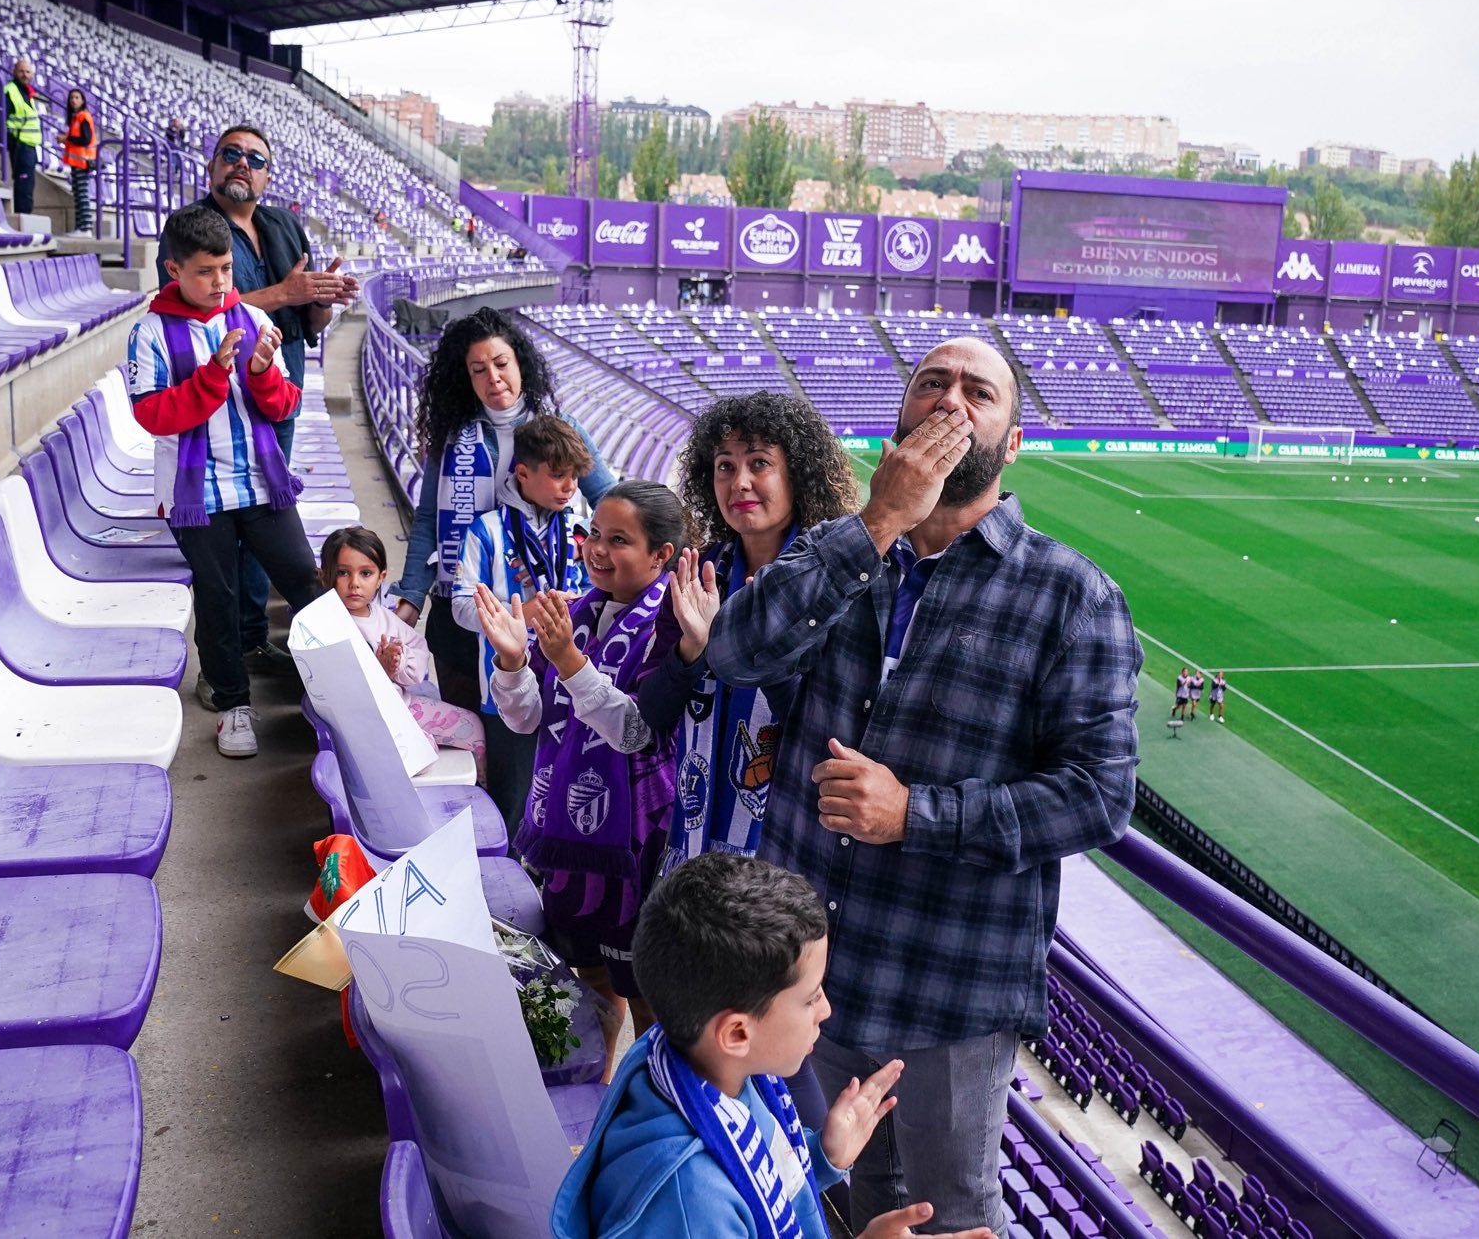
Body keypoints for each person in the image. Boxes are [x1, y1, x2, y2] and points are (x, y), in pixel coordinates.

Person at [707, 336, 1141, 1235]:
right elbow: (735, 650)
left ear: (1011, 440)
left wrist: (916, 815)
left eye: (978, 391)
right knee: (827, 1186)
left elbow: (1101, 795)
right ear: (899, 417)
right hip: (808, 974)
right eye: (931, 383)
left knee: (948, 1215)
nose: (951, 401)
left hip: (947, 983)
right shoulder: (840, 549)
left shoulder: (1070, 595)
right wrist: (877, 523)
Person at [552, 853, 995, 1239]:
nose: (826, 1009)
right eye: (810, 997)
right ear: (738, 1034)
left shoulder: (701, 1068)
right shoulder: (690, 1202)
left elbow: (763, 1166)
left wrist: (823, 1154)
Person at [476, 480, 684, 1041]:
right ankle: (594, 1097)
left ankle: (645, 1110)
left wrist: (566, 657)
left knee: (645, 998)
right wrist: (513, 658)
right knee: (588, 981)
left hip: (634, 847)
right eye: (593, 533)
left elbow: (634, 731)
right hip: (567, 837)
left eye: (618, 540)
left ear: (660, 555)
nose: (596, 549)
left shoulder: (673, 625)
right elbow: (526, 720)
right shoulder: (580, 612)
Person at [167, 124, 359, 704]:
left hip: (279, 395)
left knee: (263, 529)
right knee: (229, 544)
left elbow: (306, 322)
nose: (241, 165)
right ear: (212, 166)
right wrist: (286, 292)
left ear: (268, 175)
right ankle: (229, 663)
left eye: (255, 159)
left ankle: (255, 641)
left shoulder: (281, 224)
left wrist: (319, 300)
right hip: (219, 411)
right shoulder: (191, 230)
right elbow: (191, 311)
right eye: (231, 155)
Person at [126, 205, 322, 758]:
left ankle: (331, 685)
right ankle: (233, 705)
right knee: (218, 594)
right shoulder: (149, 333)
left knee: (303, 579)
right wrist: (213, 376)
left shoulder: (255, 321)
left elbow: (285, 406)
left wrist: (260, 375)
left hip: (261, 482)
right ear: (174, 271)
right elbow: (153, 415)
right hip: (196, 496)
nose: (219, 284)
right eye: (206, 272)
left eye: (227, 271)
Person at [646, 392, 859, 874]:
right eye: (724, 466)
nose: (738, 482)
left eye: (759, 463)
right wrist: (691, 650)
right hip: (690, 849)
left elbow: (828, 734)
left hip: (788, 852)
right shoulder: (696, 574)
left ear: (797, 474)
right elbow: (653, 716)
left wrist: (760, 649)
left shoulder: (835, 584)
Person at [388, 308, 618, 707]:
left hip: (541, 608)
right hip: (459, 605)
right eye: (478, 369)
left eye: (500, 363)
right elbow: (428, 519)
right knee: (472, 732)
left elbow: (610, 501)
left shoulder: (560, 428)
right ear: (466, 377)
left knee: (534, 732)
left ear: (519, 364)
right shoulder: (450, 435)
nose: (493, 378)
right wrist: (411, 596)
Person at [448, 414, 595, 826]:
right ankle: (505, 875)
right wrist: (523, 615)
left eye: (575, 478)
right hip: (505, 691)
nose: (570, 487)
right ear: (524, 473)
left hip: (567, 684)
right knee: (512, 800)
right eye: (559, 475)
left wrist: (575, 603)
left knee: (558, 792)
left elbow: (587, 587)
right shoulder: (486, 531)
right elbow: (460, 607)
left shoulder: (576, 527)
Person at [321, 525, 485, 776]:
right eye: (343, 573)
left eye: (365, 573)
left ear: (380, 578)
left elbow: (418, 654)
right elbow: (334, 689)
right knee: (422, 753)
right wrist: (379, 670)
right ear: (325, 577)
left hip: (402, 707)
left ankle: (482, 792)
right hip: (367, 723)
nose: (354, 583)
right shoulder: (325, 624)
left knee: (473, 726)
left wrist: (398, 664)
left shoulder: (385, 618)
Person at [0, 58, 40, 216]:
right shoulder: (11, 90)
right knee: (23, 184)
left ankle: (26, 215)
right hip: (19, 144)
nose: (25, 74)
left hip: (30, 145)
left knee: (29, 184)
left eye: (28, 72)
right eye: (21, 71)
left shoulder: (27, 92)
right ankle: (22, 217)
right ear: (14, 72)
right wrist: (5, 141)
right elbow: (0, 117)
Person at [61, 88, 96, 235]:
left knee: (82, 195)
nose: (74, 100)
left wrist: (66, 138)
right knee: (77, 194)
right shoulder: (75, 118)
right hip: (75, 162)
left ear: (82, 101)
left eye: (77, 98)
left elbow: (85, 139)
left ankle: (86, 227)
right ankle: (80, 227)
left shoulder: (83, 117)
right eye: (71, 98)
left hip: (82, 162)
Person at [163, 115, 190, 185]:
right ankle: (170, 179)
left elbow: (183, 137)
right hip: (172, 149)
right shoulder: (169, 129)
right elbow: (167, 136)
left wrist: (179, 130)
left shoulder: (182, 130)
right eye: (174, 121)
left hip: (179, 150)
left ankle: (178, 179)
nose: (175, 123)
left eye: (177, 121)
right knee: (172, 164)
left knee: (179, 165)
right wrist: (173, 131)